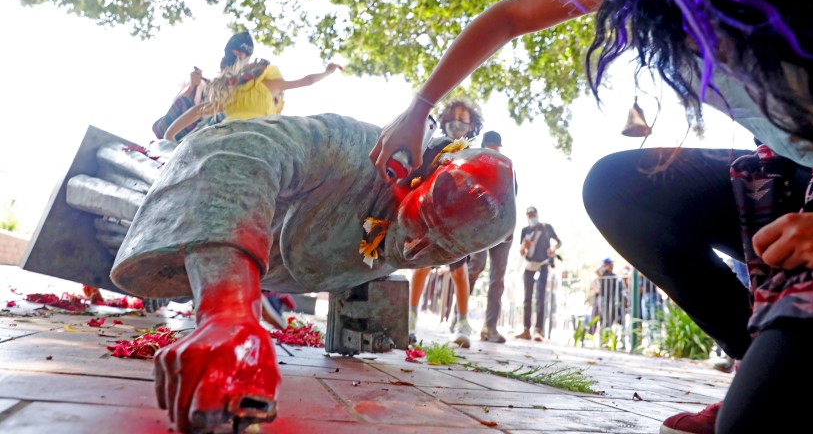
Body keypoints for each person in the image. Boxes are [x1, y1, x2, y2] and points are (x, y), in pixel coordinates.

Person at [369, 0, 813, 431]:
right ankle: (759, 347)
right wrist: (419, 106)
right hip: (802, 181)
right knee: (619, 188)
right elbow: (508, 18)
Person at [110, 113, 517, 433]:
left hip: (273, 260)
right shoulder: (354, 148)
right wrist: (228, 312)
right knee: (137, 181)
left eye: (443, 250)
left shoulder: (429, 236)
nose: (416, 248)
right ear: (419, 178)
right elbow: (234, 149)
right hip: (191, 204)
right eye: (423, 219)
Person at [407, 98, 487, 348]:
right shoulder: (434, 146)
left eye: (463, 121)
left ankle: (462, 322)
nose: (458, 125)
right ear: (444, 122)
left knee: (459, 271)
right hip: (429, 215)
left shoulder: (474, 153)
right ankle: (409, 318)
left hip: (457, 221)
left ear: (472, 125)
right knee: (420, 266)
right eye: (453, 120)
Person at [163, 31, 342, 141]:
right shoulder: (263, 87)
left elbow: (200, 110)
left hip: (227, 130)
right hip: (248, 132)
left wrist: (170, 135)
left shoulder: (239, 93)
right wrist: (327, 72)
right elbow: (307, 81)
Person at [465, 131, 515, 343]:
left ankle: (490, 328)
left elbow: (513, 195)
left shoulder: (508, 166)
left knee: (498, 279)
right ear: (483, 146)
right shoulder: (474, 163)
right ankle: (459, 317)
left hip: (504, 229)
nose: (495, 153)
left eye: (498, 149)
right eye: (491, 148)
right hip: (481, 226)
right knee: (474, 268)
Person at [515, 206, 561, 341]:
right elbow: (521, 252)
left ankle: (538, 330)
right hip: (529, 265)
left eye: (533, 214)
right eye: (529, 215)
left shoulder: (546, 228)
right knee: (527, 298)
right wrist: (525, 246)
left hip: (543, 264)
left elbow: (559, 242)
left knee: (540, 296)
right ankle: (526, 329)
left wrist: (553, 248)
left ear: (537, 214)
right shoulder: (525, 231)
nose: (531, 217)